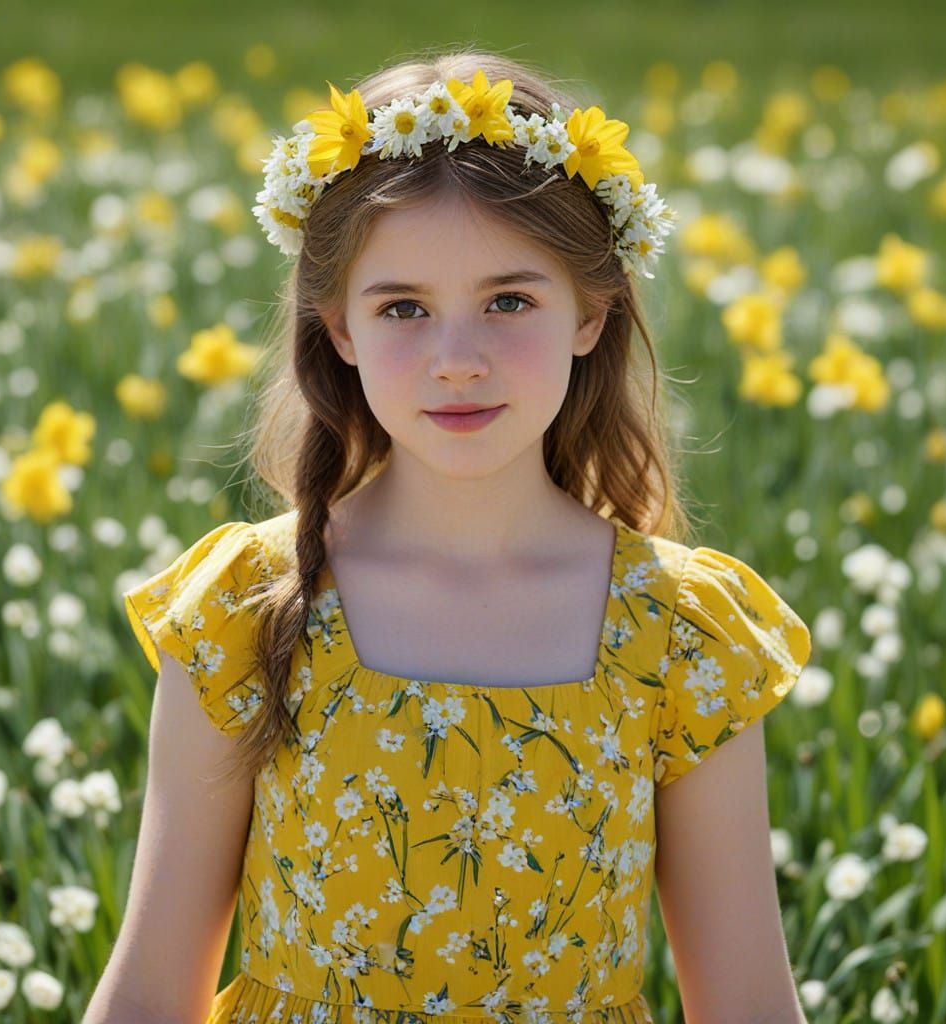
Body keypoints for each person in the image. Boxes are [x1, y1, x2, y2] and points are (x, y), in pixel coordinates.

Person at [84, 48, 812, 1024]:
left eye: (509, 300)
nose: (456, 360)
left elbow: (750, 1007)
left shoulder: (681, 634)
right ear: (338, 326)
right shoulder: (244, 606)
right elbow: (147, 995)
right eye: (403, 309)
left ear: (591, 313)